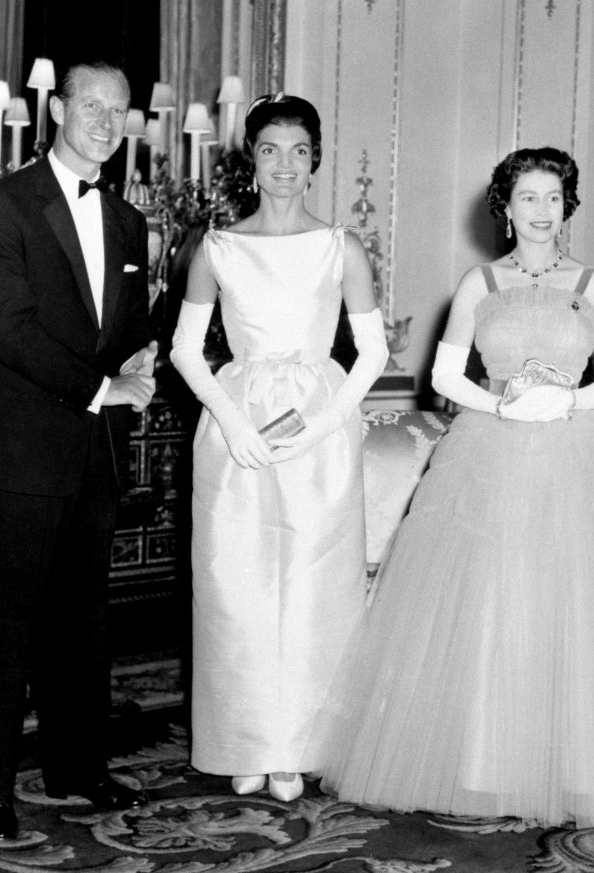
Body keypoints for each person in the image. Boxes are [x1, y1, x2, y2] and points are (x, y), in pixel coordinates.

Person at [313, 147, 594, 828]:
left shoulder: (592, 284)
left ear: (568, 206)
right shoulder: (480, 282)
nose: (542, 210)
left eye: (553, 197)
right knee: (494, 602)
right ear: (505, 208)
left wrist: (564, 401)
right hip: (490, 452)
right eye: (528, 197)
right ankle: (487, 765)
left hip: (573, 456)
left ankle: (576, 766)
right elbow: (445, 376)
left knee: (574, 604)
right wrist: (505, 404)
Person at [0, 61, 156, 842]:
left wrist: (141, 356)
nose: (105, 121)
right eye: (91, 105)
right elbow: (7, 329)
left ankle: (78, 765)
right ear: (58, 111)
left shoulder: (129, 222)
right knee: (2, 626)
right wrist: (103, 386)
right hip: (18, 452)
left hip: (93, 453)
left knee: (82, 622)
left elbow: (127, 324)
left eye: (118, 109)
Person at [169, 93, 387, 803]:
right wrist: (234, 425)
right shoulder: (217, 247)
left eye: (298, 151)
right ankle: (247, 739)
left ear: (314, 160)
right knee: (238, 586)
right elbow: (185, 350)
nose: (284, 165)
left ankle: (296, 745)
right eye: (270, 150)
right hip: (237, 422)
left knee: (313, 588)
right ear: (252, 161)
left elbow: (373, 352)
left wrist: (322, 425)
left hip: (318, 424)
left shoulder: (340, 247)